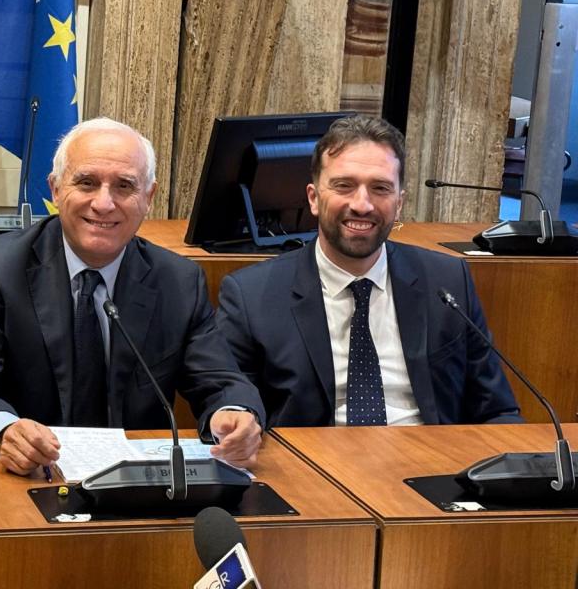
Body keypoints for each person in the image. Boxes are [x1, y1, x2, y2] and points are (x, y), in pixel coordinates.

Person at [0, 117, 264, 475]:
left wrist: (233, 415)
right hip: (29, 477)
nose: (104, 204)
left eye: (124, 186)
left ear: (148, 198)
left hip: (138, 487)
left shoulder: (177, 281)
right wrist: (3, 431)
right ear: (56, 189)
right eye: (87, 183)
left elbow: (221, 381)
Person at [214, 114, 520, 428]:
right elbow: (229, 401)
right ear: (313, 198)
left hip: (429, 464)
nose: (362, 205)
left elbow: (497, 411)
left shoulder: (447, 281)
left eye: (380, 188)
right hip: (312, 468)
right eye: (344, 186)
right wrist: (237, 421)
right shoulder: (252, 295)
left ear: (399, 204)